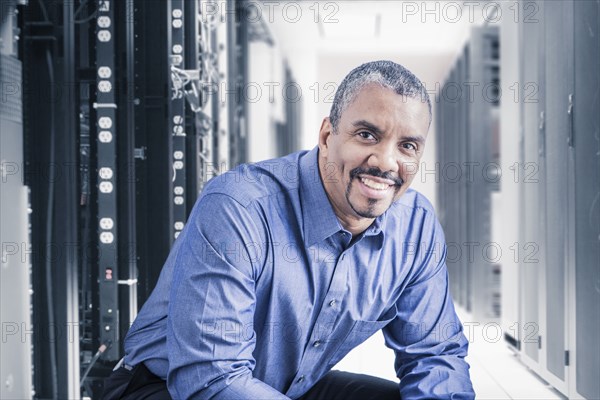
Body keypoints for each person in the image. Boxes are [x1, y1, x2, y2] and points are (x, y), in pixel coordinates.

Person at [102, 60, 475, 399]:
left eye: (407, 146)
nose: (385, 162)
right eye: (366, 135)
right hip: (165, 388)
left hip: (283, 387)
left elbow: (436, 353)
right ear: (328, 137)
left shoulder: (415, 226)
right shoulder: (240, 206)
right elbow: (209, 379)